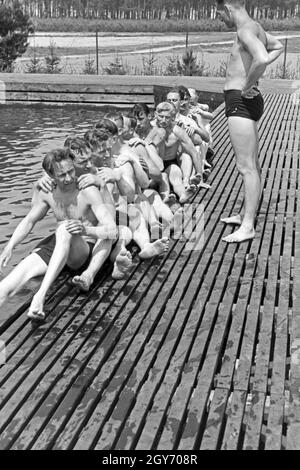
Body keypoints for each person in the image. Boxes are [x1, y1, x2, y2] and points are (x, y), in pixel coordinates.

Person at [0, 148, 117, 319]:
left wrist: (86, 230)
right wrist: (9, 247)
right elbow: (29, 221)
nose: (69, 178)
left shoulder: (87, 190)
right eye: (62, 175)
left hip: (82, 250)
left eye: (71, 171)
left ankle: (40, 295)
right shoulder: (47, 192)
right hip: (57, 246)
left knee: (64, 227)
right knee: (5, 286)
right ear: (50, 175)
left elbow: (112, 230)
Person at [216, 0, 283, 243]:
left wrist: (247, 86)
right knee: (252, 163)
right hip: (246, 101)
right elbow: (277, 46)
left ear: (227, 7)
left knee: (246, 167)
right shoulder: (256, 27)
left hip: (240, 100)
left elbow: (263, 58)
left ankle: (247, 226)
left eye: (219, 13)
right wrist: (251, 83)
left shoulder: (245, 30)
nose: (219, 18)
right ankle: (245, 214)